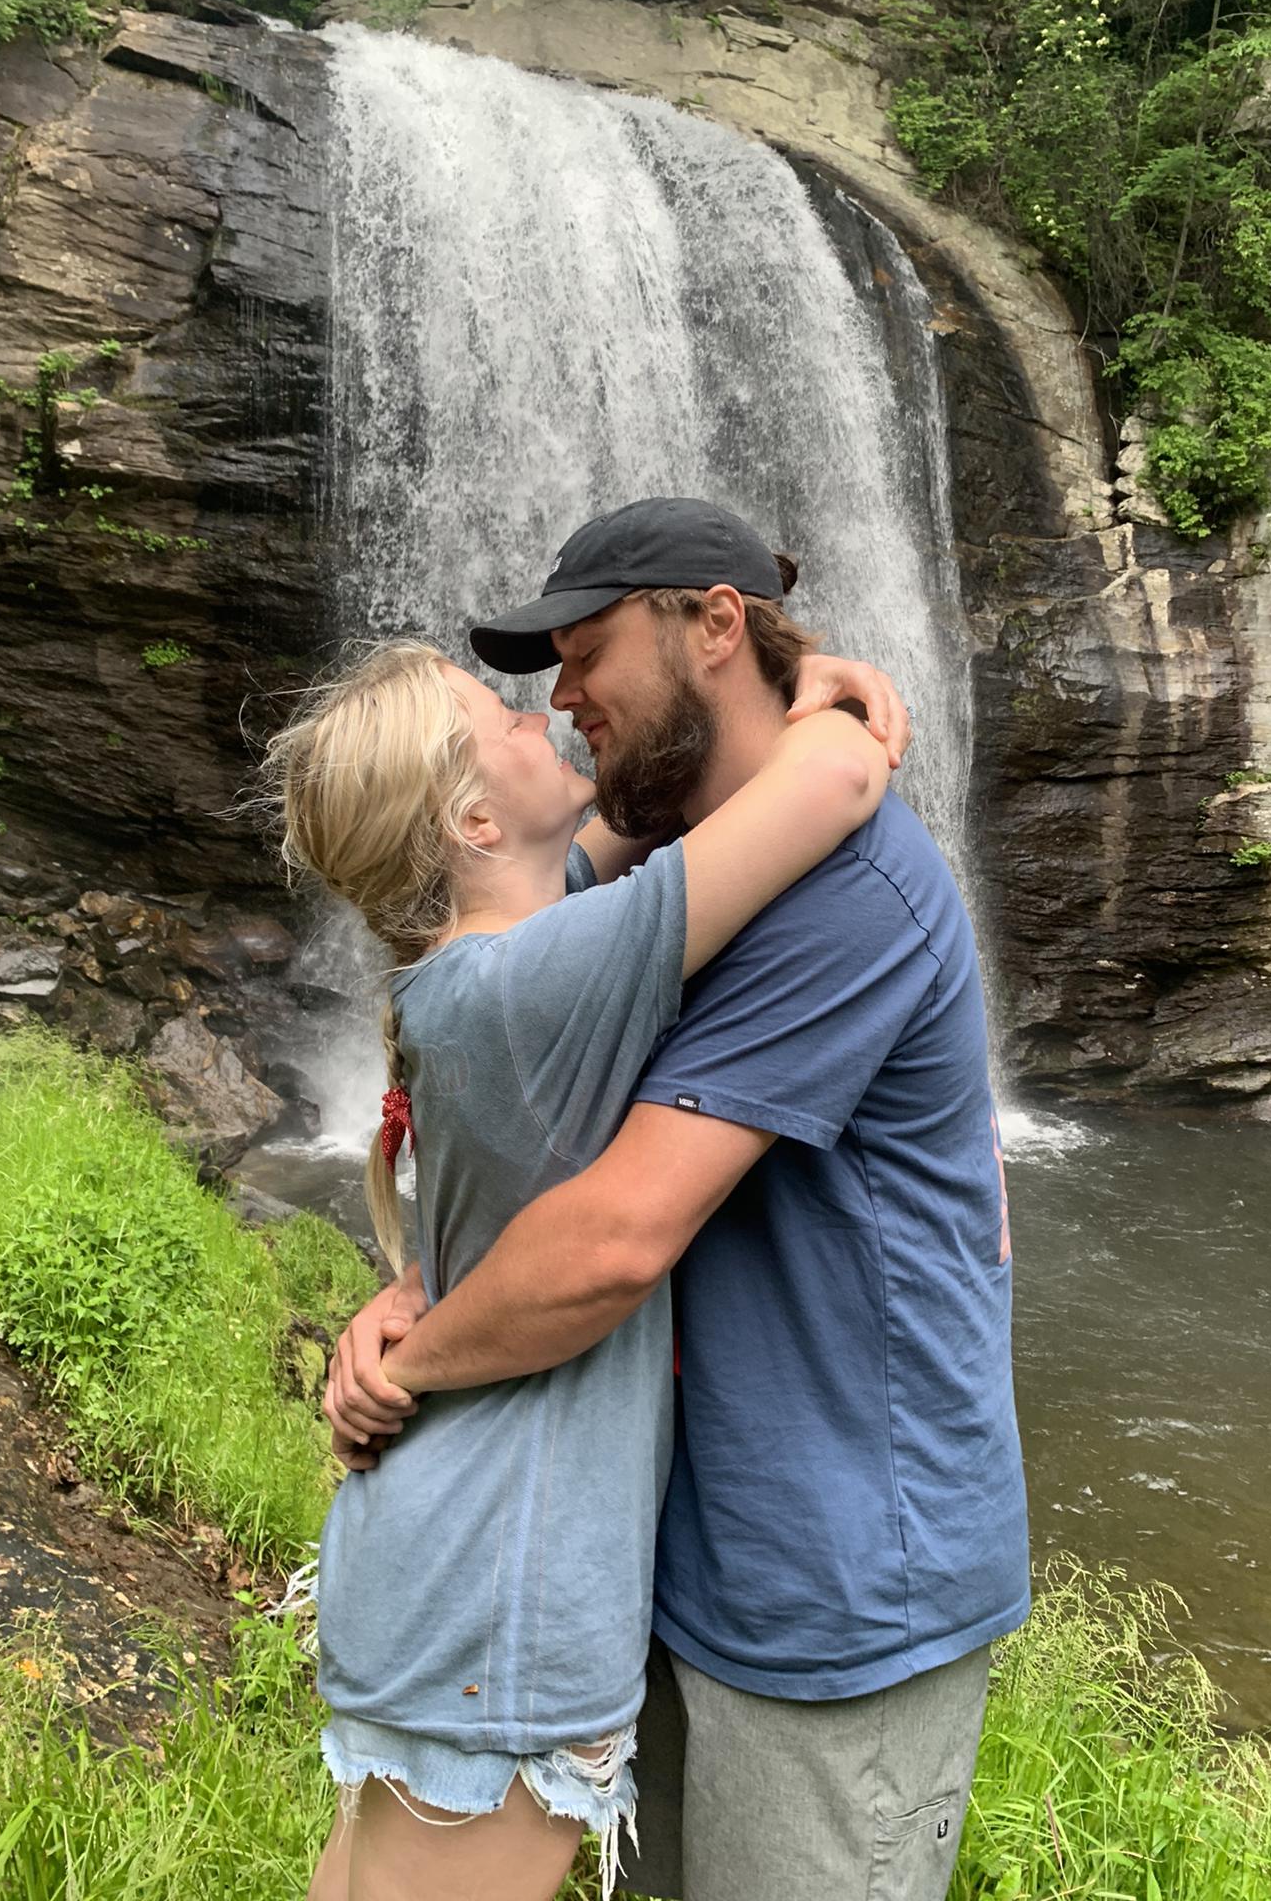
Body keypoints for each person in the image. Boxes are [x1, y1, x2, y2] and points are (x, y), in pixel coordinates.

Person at [328, 497, 1030, 1901]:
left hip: (840, 1583)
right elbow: (537, 1150)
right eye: (543, 686)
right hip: (681, 1558)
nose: (565, 701)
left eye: (586, 656)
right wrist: (424, 1286)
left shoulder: (845, 889)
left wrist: (415, 1359)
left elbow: (610, 1240)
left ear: (715, 624)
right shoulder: (657, 883)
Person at [265, 615, 897, 1901]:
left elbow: (631, 834)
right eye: (496, 720)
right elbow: (834, 778)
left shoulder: (483, 967)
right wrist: (822, 692)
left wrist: (796, 680)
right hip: (504, 1581)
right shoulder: (546, 978)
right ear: (473, 827)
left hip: (445, 1552)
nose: (539, 712)